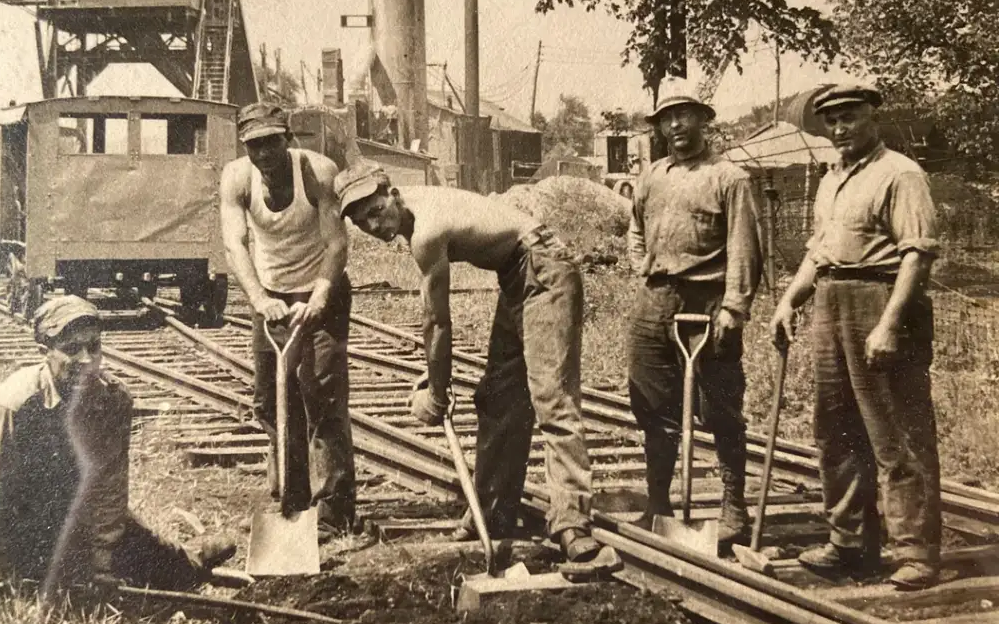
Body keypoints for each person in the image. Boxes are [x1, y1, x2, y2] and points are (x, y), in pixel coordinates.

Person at [334, 165, 619, 571]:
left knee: (552, 399)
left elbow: (437, 322)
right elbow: (433, 323)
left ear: (391, 193)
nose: (374, 225)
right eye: (362, 222)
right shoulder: (414, 211)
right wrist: (437, 376)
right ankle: (494, 511)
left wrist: (435, 394)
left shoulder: (427, 231)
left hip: (545, 266)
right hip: (518, 274)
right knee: (498, 396)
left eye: (376, 211)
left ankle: (574, 527)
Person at [770, 84, 942, 590]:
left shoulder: (901, 174)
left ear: (873, 118)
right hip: (831, 300)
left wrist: (889, 323)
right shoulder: (831, 180)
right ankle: (850, 542)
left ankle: (915, 551)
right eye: (832, 121)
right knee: (835, 427)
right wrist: (789, 300)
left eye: (850, 118)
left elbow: (917, 255)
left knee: (895, 432)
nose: (841, 129)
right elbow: (819, 253)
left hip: (882, 298)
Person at [0, 296, 236, 601]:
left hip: (71, 508)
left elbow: (109, 486)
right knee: (28, 579)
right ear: (44, 353)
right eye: (72, 349)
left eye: (94, 347)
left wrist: (102, 561)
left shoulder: (113, 399)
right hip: (14, 512)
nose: (86, 359)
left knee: (161, 564)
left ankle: (190, 562)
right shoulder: (14, 405)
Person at [627, 95, 763, 547]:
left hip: (707, 301)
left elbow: (745, 247)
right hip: (655, 300)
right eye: (667, 118)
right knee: (652, 404)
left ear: (704, 119)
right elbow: (634, 228)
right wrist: (641, 267)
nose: (676, 125)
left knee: (721, 408)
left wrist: (734, 307)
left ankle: (733, 510)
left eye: (685, 115)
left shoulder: (729, 178)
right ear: (661, 127)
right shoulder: (652, 178)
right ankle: (658, 505)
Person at [219, 102, 355, 534]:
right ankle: (293, 504)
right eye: (255, 146)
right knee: (270, 398)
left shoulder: (318, 172)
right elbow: (235, 245)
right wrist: (260, 299)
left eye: (272, 143)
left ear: (288, 140)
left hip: (321, 289)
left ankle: (335, 509)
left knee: (322, 392)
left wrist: (318, 296)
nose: (265, 155)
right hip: (272, 295)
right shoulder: (236, 179)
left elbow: (336, 245)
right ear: (246, 147)